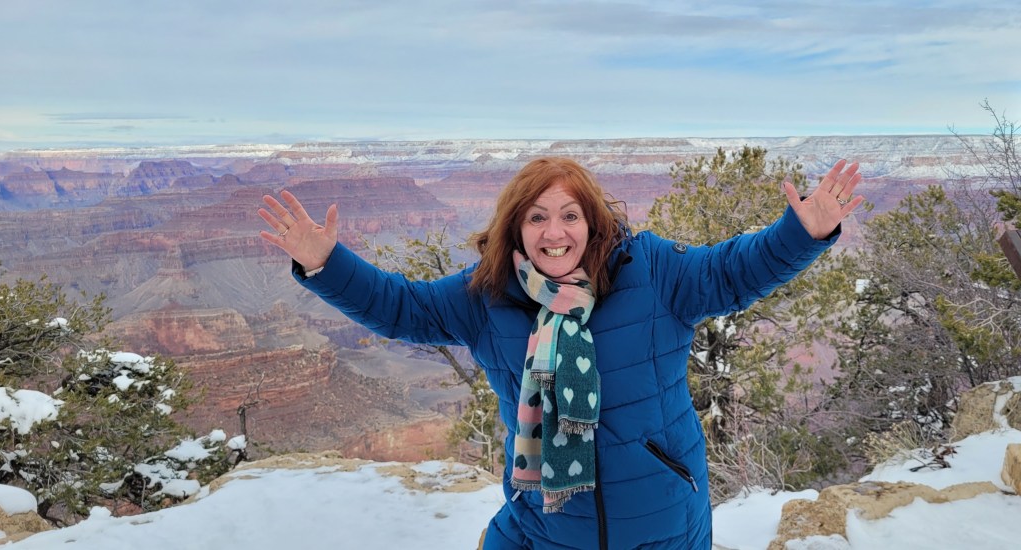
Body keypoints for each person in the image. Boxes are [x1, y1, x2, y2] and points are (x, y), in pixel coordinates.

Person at [257, 157, 864, 549]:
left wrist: (801, 233)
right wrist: (326, 263)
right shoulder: (486, 295)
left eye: (570, 215)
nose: (555, 233)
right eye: (537, 217)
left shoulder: (653, 272)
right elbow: (402, 308)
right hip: (545, 529)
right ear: (515, 228)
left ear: (592, 221)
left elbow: (734, 271)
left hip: (663, 525)